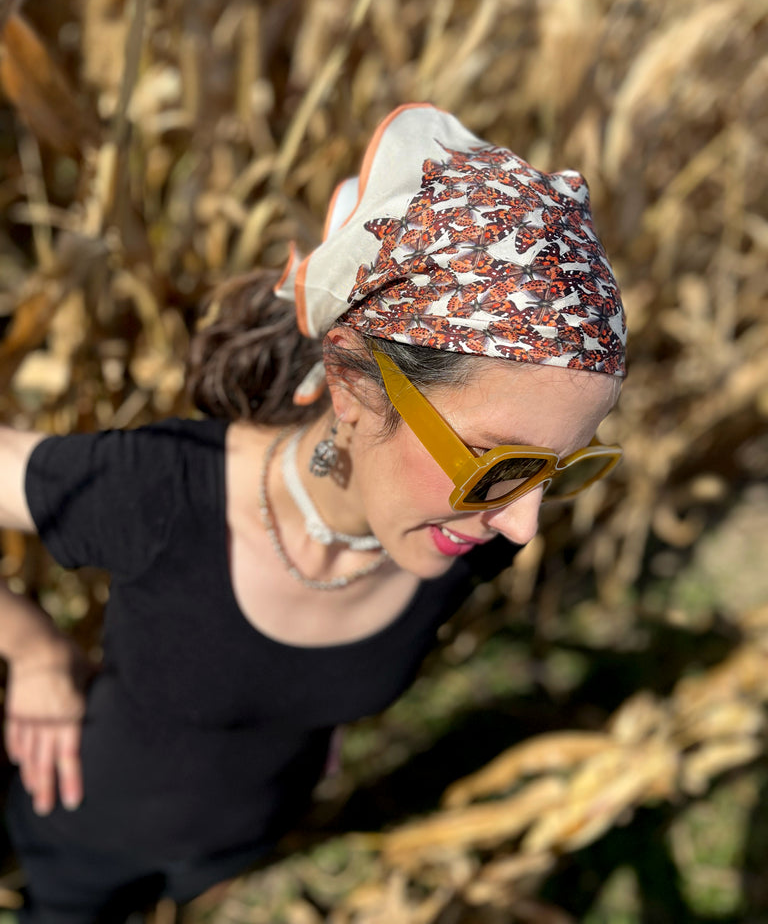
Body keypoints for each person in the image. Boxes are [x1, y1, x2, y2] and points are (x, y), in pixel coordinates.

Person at [0, 103, 626, 923]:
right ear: (355, 384)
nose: (523, 526)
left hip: (239, 850)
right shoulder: (165, 493)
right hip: (75, 850)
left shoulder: (463, 535)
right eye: (501, 464)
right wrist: (34, 650)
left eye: (566, 470)